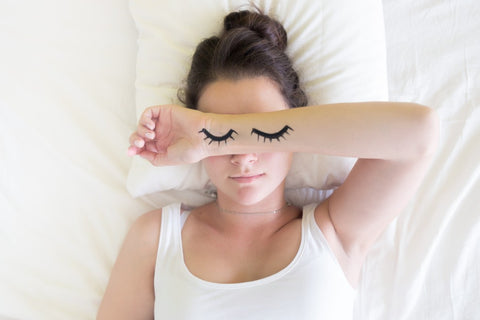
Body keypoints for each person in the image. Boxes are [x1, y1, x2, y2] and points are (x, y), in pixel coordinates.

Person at [97, 9, 439, 320]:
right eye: (220, 140)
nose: (243, 156)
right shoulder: (156, 237)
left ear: (292, 129)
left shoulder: (333, 232)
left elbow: (419, 133)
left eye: (259, 132)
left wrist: (218, 132)